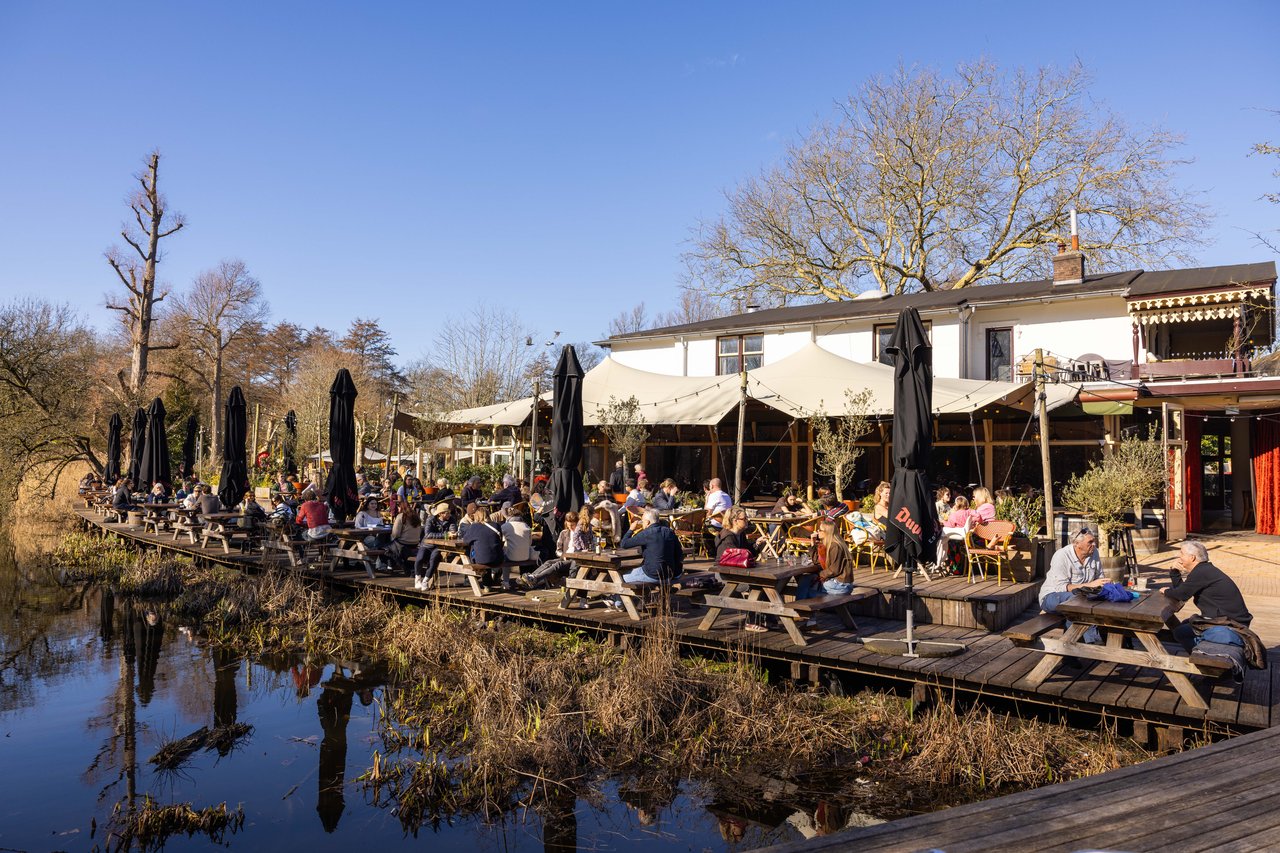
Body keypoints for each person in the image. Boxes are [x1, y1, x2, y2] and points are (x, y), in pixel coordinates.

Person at [1165, 540, 1254, 653]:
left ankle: (1201, 656)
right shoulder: (1204, 570)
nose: (1179, 556)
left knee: (1180, 632)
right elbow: (1183, 591)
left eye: (1181, 553)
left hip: (1230, 623)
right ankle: (1202, 650)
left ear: (1192, 558)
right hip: (1227, 618)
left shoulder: (1201, 572)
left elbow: (1181, 595)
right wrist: (1175, 572)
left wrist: (1166, 591)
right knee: (1184, 625)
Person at [1039, 525, 1105, 644]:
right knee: (1076, 602)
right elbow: (1062, 588)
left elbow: (1100, 577)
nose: (1094, 544)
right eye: (1090, 542)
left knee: (1076, 612)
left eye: (1094, 541)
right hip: (1052, 597)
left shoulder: (1094, 553)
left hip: (1079, 601)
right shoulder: (1061, 556)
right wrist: (1090, 585)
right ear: (1077, 544)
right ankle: (1093, 643)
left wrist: (1105, 584)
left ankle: (1070, 654)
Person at [615, 508, 683, 608]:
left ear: (647, 522)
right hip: (669, 574)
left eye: (642, 521)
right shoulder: (669, 532)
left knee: (620, 578)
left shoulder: (647, 533)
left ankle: (619, 605)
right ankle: (641, 601)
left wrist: (631, 529)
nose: (642, 524)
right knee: (642, 569)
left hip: (652, 574)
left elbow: (624, 544)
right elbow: (679, 554)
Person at [794, 519, 856, 626]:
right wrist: (813, 544)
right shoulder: (829, 544)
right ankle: (807, 619)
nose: (817, 532)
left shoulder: (835, 546)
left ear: (827, 532)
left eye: (820, 530)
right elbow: (817, 561)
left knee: (809, 591)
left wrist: (819, 575)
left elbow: (834, 570)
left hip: (841, 585)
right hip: (837, 583)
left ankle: (801, 613)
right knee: (806, 579)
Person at [715, 507, 765, 630]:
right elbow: (733, 560)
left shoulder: (740, 535)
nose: (747, 520)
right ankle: (750, 621)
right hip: (726, 574)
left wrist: (757, 544)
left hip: (739, 572)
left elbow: (748, 553)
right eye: (744, 518)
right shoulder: (727, 538)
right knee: (757, 585)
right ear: (735, 521)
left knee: (766, 584)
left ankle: (766, 618)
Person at [462, 506, 506, 589]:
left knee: (476, 549)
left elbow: (466, 541)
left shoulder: (474, 526)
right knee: (486, 549)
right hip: (498, 558)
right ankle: (488, 583)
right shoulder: (496, 525)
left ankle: (484, 584)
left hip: (482, 559)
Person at [412, 501, 453, 590]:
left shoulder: (451, 519)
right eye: (447, 513)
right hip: (427, 544)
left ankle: (425, 581)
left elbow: (453, 530)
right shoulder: (431, 519)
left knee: (434, 560)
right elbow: (428, 534)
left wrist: (452, 533)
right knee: (419, 558)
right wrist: (445, 535)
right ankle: (417, 579)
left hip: (439, 546)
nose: (449, 514)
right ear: (441, 514)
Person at [497, 505, 533, 591]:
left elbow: (501, 540)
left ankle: (505, 582)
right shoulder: (526, 526)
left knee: (504, 553)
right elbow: (530, 543)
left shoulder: (505, 526)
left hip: (510, 557)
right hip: (525, 556)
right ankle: (524, 581)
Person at [388, 505, 424, 574]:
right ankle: (391, 566)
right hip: (415, 543)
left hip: (403, 544)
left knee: (388, 547)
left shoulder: (401, 516)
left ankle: (390, 566)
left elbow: (395, 534)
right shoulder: (416, 517)